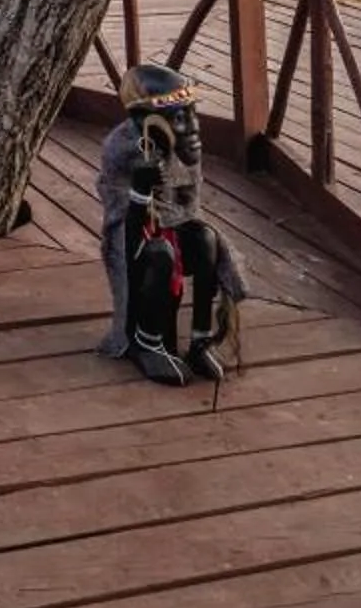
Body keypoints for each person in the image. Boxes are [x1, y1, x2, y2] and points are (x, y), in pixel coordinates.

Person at [96, 62, 248, 387]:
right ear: (147, 122)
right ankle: (147, 342)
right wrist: (140, 189)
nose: (193, 128)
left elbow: (188, 207)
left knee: (207, 240)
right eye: (180, 119)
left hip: (172, 224)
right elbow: (124, 225)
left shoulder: (182, 148)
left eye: (193, 115)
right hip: (136, 238)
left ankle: (200, 340)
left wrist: (180, 224)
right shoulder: (122, 150)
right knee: (159, 253)